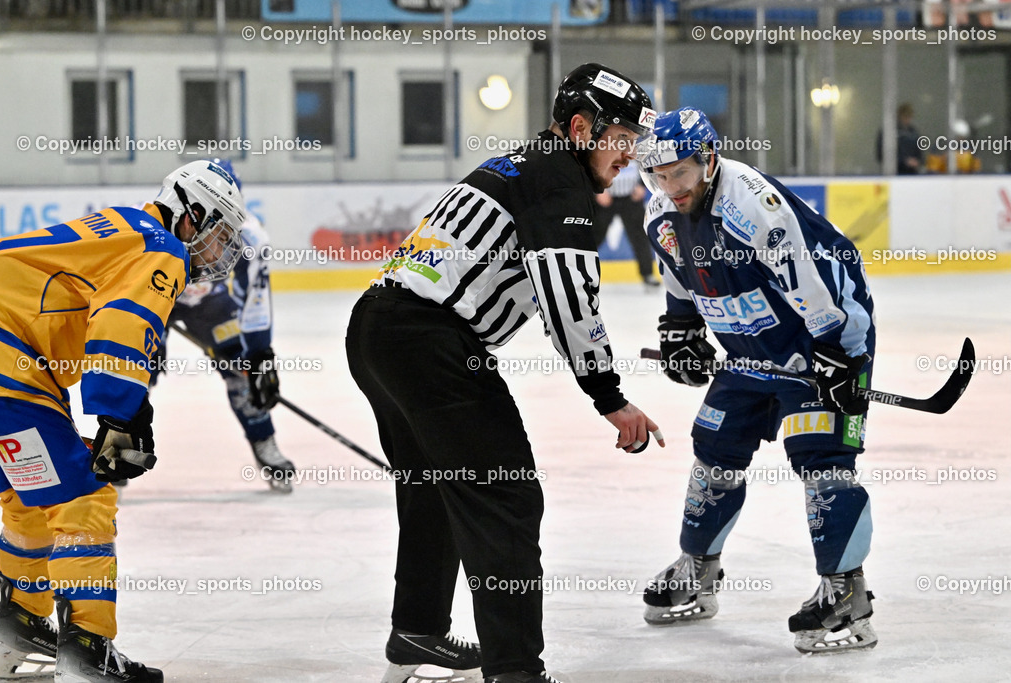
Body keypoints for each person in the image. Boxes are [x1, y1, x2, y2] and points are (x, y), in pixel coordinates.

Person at [346, 63, 664, 683]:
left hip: (376, 330)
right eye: (621, 139)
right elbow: (569, 298)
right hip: (429, 344)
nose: (628, 156)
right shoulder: (559, 181)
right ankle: (515, 670)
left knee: (438, 485)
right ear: (580, 128)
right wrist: (610, 396)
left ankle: (418, 632)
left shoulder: (520, 164)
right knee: (507, 493)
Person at [0, 160, 245, 681]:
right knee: (83, 497)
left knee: (30, 496)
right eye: (218, 232)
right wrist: (118, 414)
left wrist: (129, 406)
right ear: (190, 214)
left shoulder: (127, 225)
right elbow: (124, 321)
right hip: (2, 363)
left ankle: (23, 633)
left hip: (3, 359)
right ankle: (86, 652)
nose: (220, 252)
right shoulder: (162, 247)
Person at [638, 108, 877, 654]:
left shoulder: (753, 206)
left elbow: (815, 286)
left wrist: (843, 356)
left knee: (821, 457)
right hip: (746, 344)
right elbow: (681, 274)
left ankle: (847, 594)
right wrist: (680, 328)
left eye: (680, 173)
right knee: (715, 447)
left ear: (708, 160)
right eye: (659, 176)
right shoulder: (661, 213)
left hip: (821, 337)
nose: (670, 187)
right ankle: (698, 567)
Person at [149, 158, 296, 493]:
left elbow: (255, 301)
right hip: (157, 295)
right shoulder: (161, 223)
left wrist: (259, 356)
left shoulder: (252, 238)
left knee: (241, 371)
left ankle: (264, 440)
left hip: (211, 303)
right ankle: (119, 439)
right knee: (138, 366)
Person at [593, 159, 659, 287]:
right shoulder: (601, 142)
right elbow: (591, 164)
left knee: (640, 237)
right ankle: (581, 272)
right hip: (606, 196)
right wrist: (597, 189)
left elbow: (646, 162)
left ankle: (647, 274)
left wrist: (642, 184)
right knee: (594, 237)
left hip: (631, 196)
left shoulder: (635, 142)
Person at [875, 102, 923, 175]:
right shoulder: (888, 131)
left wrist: (918, 161)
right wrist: (904, 161)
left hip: (912, 174)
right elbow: (882, 154)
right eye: (905, 116)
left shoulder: (913, 132)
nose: (908, 119)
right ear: (899, 116)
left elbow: (919, 152)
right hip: (893, 173)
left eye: (910, 116)